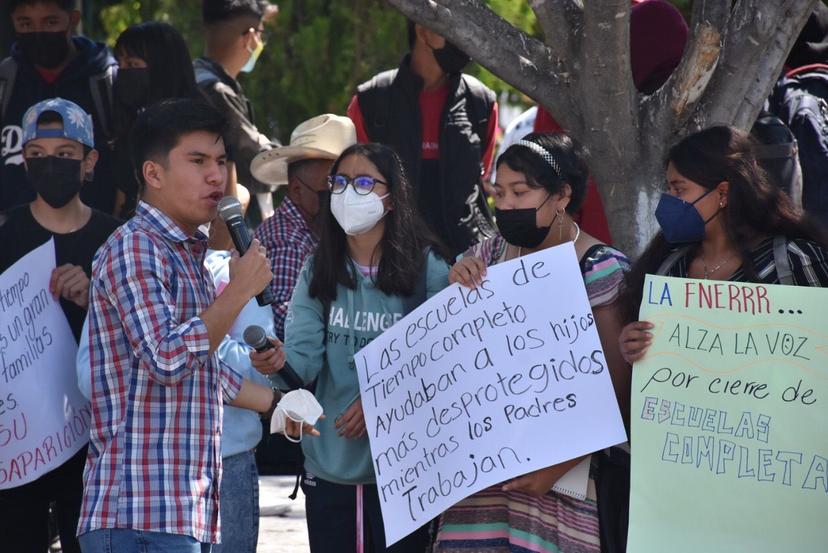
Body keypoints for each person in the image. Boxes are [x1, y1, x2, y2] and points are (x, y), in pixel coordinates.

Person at [76, 98, 289, 552]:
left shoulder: (185, 253)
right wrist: (238, 291)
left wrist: (276, 404)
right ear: (153, 174)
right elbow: (168, 360)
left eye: (221, 161)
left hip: (178, 511)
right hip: (136, 515)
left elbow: (200, 368)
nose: (216, 175)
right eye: (197, 161)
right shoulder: (135, 249)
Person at [251, 143, 452, 552]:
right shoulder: (318, 267)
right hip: (329, 466)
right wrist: (277, 361)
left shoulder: (429, 270)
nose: (348, 193)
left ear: (392, 197)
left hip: (405, 473)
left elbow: (446, 361)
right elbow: (303, 363)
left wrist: (381, 398)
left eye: (364, 183)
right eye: (339, 183)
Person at [436, 133, 631, 553]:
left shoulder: (601, 270)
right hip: (481, 485)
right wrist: (455, 288)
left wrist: (555, 468)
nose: (505, 205)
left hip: (563, 488)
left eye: (520, 192)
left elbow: (617, 391)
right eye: (499, 193)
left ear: (561, 195)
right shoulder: (485, 257)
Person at [0, 97, 120, 553]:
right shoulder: (5, 235)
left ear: (89, 161)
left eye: (65, 156)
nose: (51, 166)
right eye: (37, 157)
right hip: (17, 441)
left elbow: (143, 335)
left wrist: (95, 301)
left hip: (95, 440)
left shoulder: (115, 240)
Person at [619, 125, 828, 365]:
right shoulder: (668, 268)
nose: (670, 200)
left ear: (722, 193)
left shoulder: (794, 262)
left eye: (679, 189)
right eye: (668, 189)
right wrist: (632, 345)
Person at [532, 0, 690, 245]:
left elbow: (544, 166)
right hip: (607, 241)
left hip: (585, 240)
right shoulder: (659, 18)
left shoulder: (653, 19)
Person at [348, 21, 498, 257]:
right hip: (395, 262)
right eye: (452, 26)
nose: (462, 37)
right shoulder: (371, 101)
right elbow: (355, 185)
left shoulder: (480, 102)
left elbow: (479, 177)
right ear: (423, 30)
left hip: (468, 263)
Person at [1, 0, 117, 214]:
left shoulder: (105, 82)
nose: (38, 32)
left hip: (97, 232)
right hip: (11, 233)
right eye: (25, 24)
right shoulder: (5, 82)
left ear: (73, 20)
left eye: (50, 22)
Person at [251, 113, 357, 340]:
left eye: (348, 183)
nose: (343, 194)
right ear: (297, 190)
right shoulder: (287, 240)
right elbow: (283, 322)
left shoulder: (316, 229)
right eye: (332, 184)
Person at [196, 0, 278, 227]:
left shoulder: (200, 79)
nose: (261, 43)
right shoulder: (216, 92)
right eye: (261, 35)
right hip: (222, 234)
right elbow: (259, 164)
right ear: (250, 37)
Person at [111, 21, 202, 218]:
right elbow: (121, 200)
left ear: (162, 67)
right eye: (120, 65)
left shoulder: (201, 126)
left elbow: (225, 196)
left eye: (133, 64)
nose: (123, 72)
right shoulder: (131, 127)